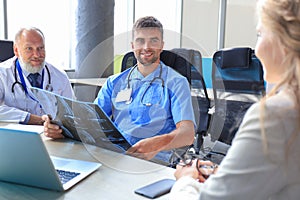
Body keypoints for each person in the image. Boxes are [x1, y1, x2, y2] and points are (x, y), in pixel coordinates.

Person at [170, 0, 300, 199]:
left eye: (260, 34)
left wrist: (185, 180)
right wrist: (229, 175)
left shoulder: (276, 116)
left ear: (285, 41)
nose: (257, 50)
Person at [43, 16, 195, 164]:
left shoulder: (177, 83)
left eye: (153, 41)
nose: (146, 47)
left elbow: (187, 134)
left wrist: (157, 143)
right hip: (115, 156)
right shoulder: (114, 82)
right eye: (140, 41)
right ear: (132, 45)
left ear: (161, 45)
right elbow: (92, 122)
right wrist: (59, 129)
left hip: (153, 161)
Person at [0, 27, 74, 125]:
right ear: (16, 50)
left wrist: (60, 129)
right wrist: (31, 118)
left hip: (52, 137)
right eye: (29, 49)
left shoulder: (60, 76)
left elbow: (72, 115)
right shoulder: (3, 73)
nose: (36, 55)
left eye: (40, 48)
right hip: (15, 135)